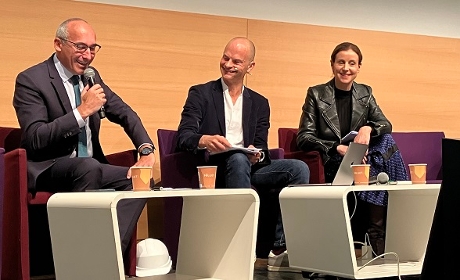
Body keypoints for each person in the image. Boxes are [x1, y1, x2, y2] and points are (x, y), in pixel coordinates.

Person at [13, 18, 155, 255]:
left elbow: (125, 113)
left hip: (90, 166)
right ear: (58, 44)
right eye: (80, 47)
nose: (87, 55)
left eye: (92, 48)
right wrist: (82, 112)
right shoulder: (31, 80)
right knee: (87, 167)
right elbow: (35, 138)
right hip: (49, 167)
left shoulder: (91, 77)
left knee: (141, 179)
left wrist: (146, 149)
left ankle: (106, 252)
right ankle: (79, 256)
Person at [176, 37, 310, 271]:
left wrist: (257, 155)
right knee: (236, 159)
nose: (228, 64)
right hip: (214, 168)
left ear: (250, 67)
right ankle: (241, 244)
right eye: (225, 58)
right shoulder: (201, 93)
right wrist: (204, 140)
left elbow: (261, 146)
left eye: (236, 61)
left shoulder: (259, 103)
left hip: (249, 167)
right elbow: (184, 136)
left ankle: (279, 248)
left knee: (298, 168)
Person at [296, 42, 408, 255]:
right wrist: (336, 148)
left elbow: (385, 124)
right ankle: (380, 233)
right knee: (378, 157)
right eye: (341, 62)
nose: (346, 68)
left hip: (362, 161)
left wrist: (368, 128)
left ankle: (376, 233)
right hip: (334, 161)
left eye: (351, 63)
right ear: (332, 64)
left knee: (385, 141)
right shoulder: (316, 94)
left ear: (359, 67)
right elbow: (304, 137)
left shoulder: (365, 93)